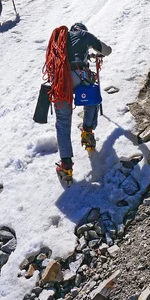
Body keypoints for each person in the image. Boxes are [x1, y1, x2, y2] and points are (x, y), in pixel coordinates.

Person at [43, 23, 112, 182]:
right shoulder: (85, 35)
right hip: (80, 76)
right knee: (91, 99)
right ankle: (87, 131)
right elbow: (106, 50)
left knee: (63, 122)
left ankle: (66, 166)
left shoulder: (60, 38)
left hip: (61, 81)